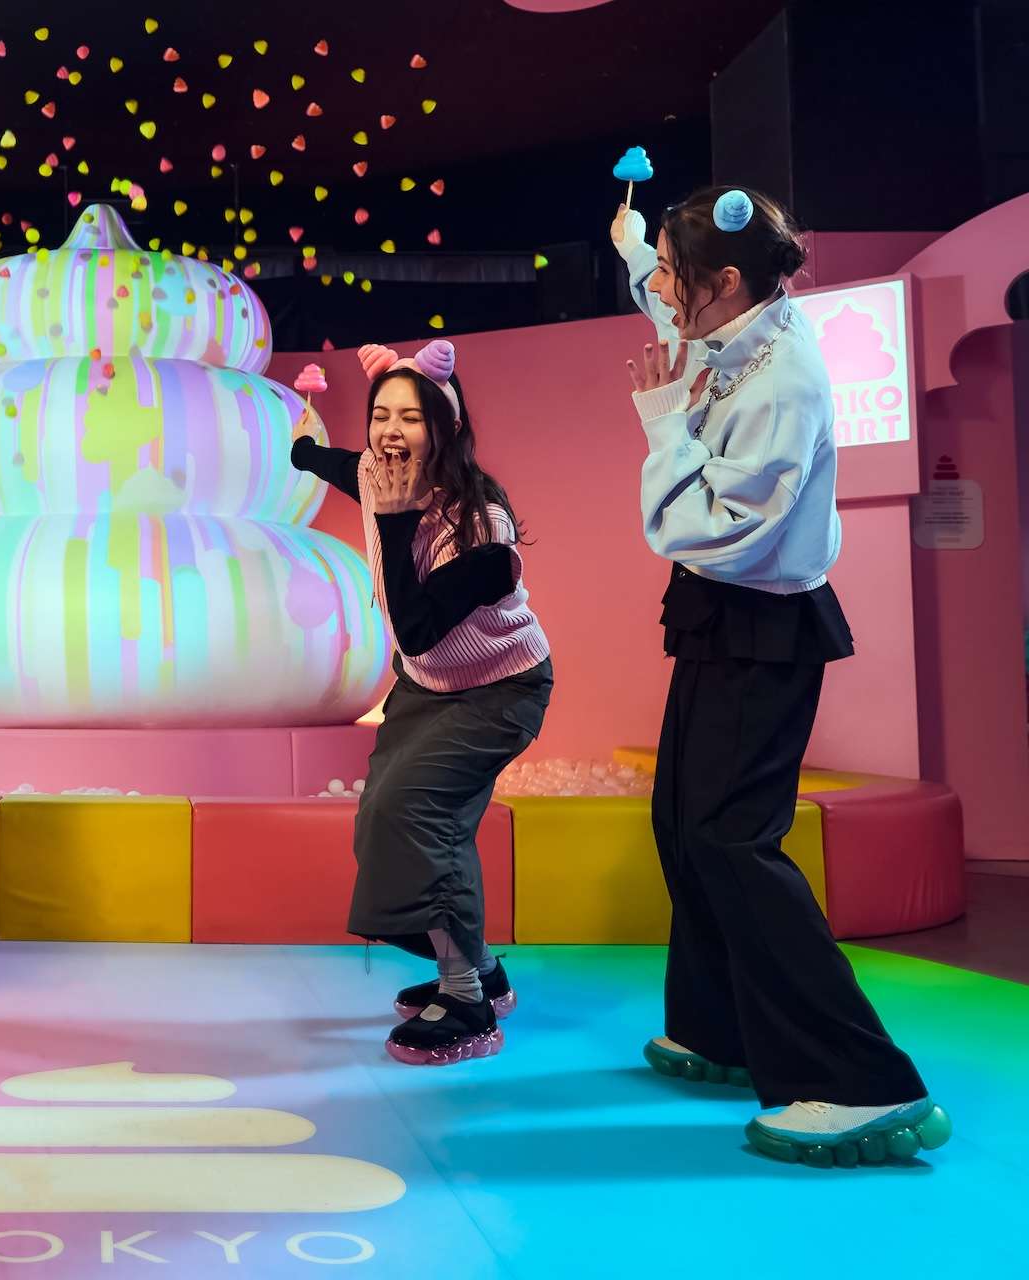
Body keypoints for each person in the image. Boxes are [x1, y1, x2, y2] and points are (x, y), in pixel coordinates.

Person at [615, 186, 951, 1164]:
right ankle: (723, 1028)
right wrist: (634, 244)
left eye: (673, 275)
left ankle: (859, 1084)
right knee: (685, 822)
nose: (660, 292)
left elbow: (718, 530)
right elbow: (675, 308)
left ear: (726, 281)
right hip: (724, 618)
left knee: (733, 839)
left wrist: (663, 427)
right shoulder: (743, 319)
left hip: (760, 621)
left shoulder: (782, 382)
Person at [290, 341, 552, 1065]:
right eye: (382, 415)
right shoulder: (379, 477)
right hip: (427, 685)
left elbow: (414, 628)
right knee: (383, 814)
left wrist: (401, 520)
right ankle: (482, 971)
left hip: (500, 689)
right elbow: (342, 466)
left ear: (446, 427)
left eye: (411, 418)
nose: (390, 432)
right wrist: (304, 452)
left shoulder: (482, 528)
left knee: (418, 813)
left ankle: (467, 1000)